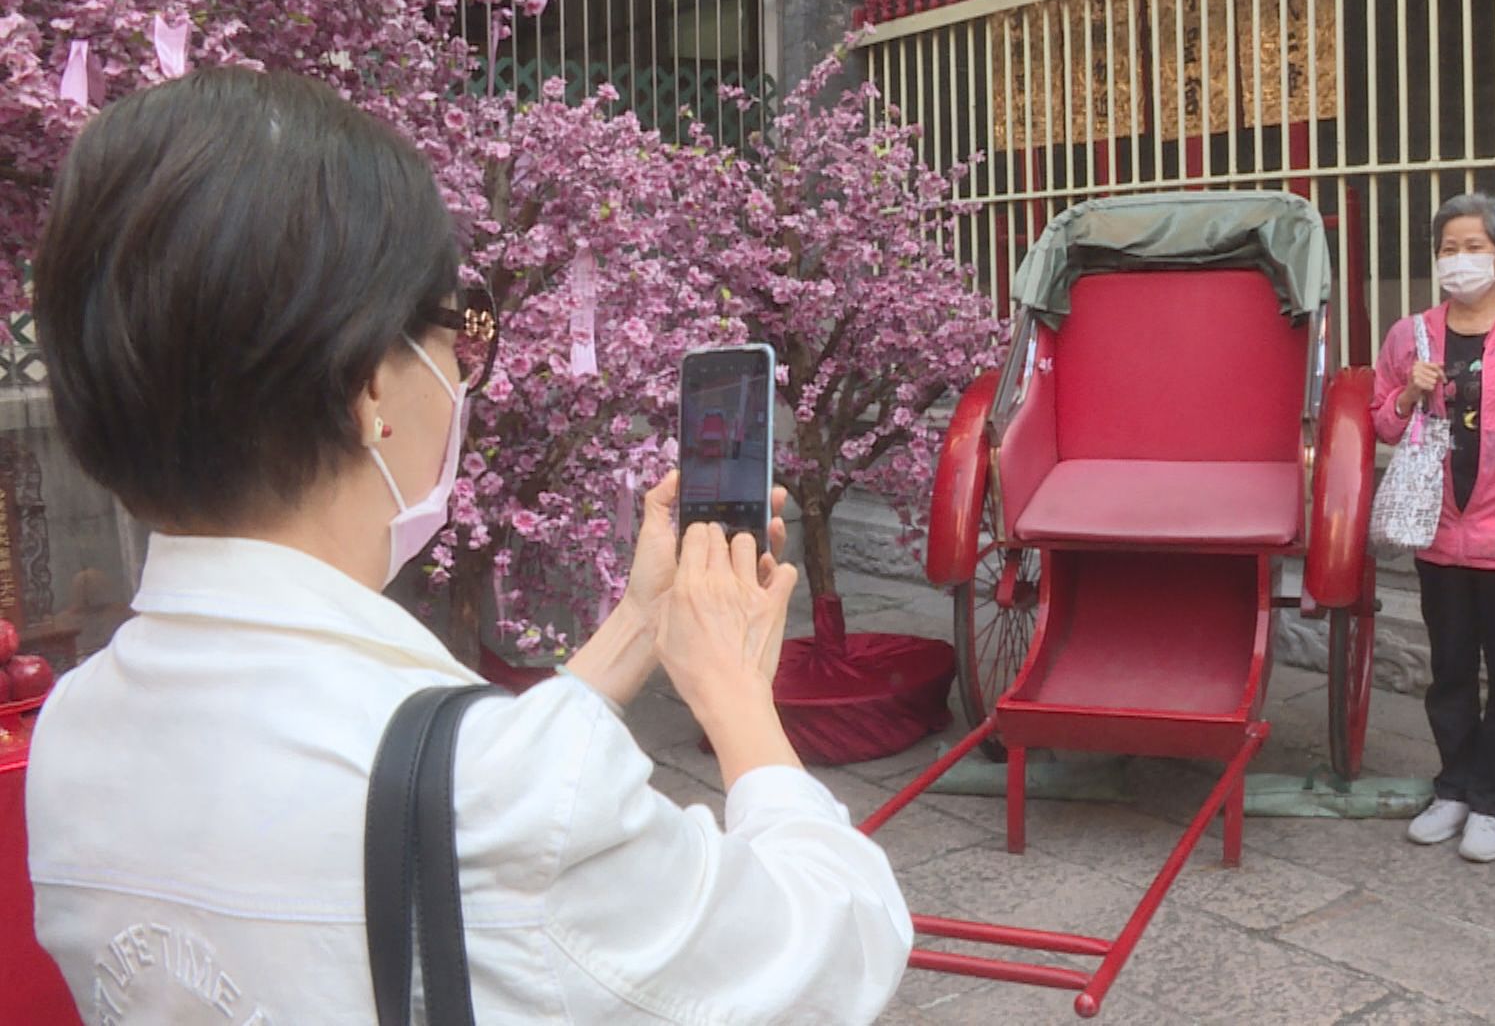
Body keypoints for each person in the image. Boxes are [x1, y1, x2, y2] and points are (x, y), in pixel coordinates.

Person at [25, 69, 911, 1022]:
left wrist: (640, 622)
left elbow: (438, 773)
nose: (463, 371)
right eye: (460, 328)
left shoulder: (72, 736)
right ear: (371, 384)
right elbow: (834, 948)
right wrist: (735, 696)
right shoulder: (499, 797)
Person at [1370, 194, 1495, 863]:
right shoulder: (1410, 336)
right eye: (1449, 249)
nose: (1460, 261)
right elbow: (1382, 423)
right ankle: (1454, 789)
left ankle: (1491, 804)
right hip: (1440, 542)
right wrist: (1408, 390)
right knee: (1450, 673)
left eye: (1474, 248)